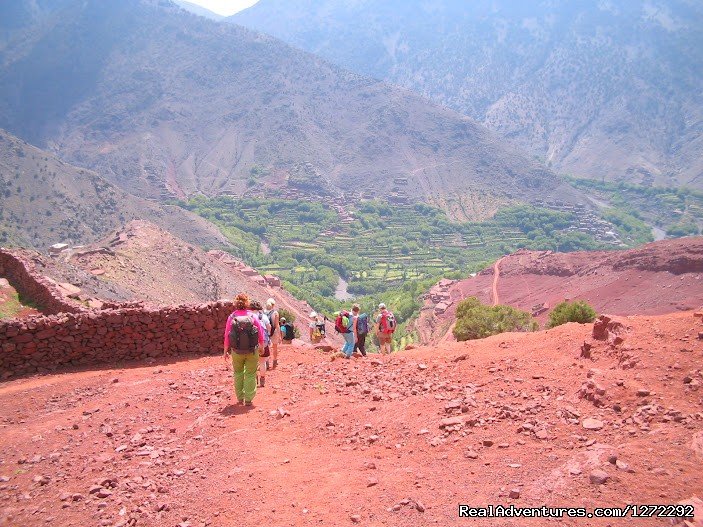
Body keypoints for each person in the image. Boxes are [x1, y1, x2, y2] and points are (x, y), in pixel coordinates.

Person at [224, 293, 265, 406]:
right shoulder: (253, 316)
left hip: (236, 351)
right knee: (251, 374)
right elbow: (260, 333)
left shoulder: (232, 317)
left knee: (238, 373)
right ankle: (248, 399)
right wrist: (261, 346)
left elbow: (227, 334)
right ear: (247, 303)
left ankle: (239, 398)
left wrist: (225, 351)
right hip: (252, 350)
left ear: (236, 303)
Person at [250, 300, 271, 388]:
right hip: (263, 342)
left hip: (252, 343)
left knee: (253, 362)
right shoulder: (264, 317)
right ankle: (262, 380)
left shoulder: (249, 316)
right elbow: (269, 328)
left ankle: (255, 379)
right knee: (262, 362)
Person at [265, 298, 280, 369]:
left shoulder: (263, 312)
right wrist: (280, 335)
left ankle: (266, 362)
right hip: (274, 332)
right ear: (273, 305)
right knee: (275, 347)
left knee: (266, 348)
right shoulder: (275, 313)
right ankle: (274, 362)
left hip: (266, 332)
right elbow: (277, 325)